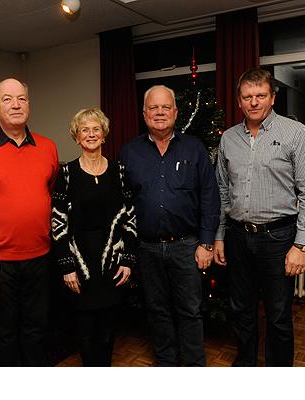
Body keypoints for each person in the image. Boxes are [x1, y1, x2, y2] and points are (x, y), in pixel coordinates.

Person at [213, 68, 305, 366]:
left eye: (260, 95)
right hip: (237, 236)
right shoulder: (229, 139)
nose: (254, 102)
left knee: (278, 314)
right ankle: (246, 364)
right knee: (241, 309)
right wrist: (220, 236)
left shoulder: (295, 133)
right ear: (239, 101)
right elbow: (222, 190)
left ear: (272, 97)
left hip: (279, 238)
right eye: (247, 96)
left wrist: (301, 245)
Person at [119, 85, 220, 367]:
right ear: (144, 114)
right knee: (157, 310)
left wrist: (206, 243)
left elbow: (210, 197)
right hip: (147, 248)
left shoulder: (194, 148)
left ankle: (194, 365)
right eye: (154, 107)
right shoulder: (129, 152)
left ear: (175, 112)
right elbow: (122, 203)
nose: (160, 112)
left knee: (190, 310)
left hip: (186, 246)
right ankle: (166, 363)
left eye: (166, 107)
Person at [0, 78, 59, 366]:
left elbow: (49, 191)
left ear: (29, 104)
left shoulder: (48, 147)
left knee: (37, 328)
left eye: (21, 99)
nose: (15, 105)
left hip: (40, 257)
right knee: (2, 333)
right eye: (7, 99)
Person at [51, 108, 137, 366]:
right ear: (76, 137)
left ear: (104, 135)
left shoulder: (119, 171)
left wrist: (128, 259)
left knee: (108, 327)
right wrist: (66, 266)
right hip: (80, 263)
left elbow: (130, 217)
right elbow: (58, 222)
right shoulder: (67, 173)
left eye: (96, 129)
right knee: (85, 329)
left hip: (112, 261)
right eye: (84, 130)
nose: (91, 134)